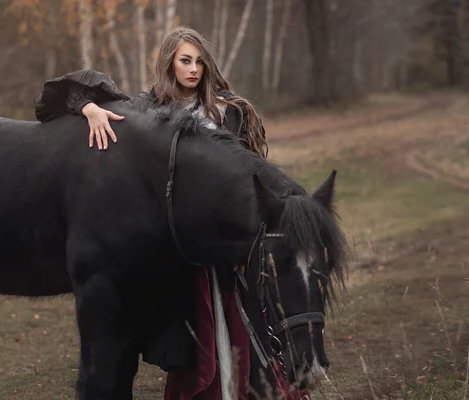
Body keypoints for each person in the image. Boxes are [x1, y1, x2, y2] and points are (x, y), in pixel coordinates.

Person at [35, 27, 310, 400]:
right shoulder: (149, 113)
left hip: (231, 241)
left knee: (249, 331)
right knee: (198, 341)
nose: (194, 69)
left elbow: (252, 173)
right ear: (170, 63)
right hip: (180, 248)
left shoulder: (229, 110)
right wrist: (89, 108)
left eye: (199, 61)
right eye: (185, 61)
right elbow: (58, 96)